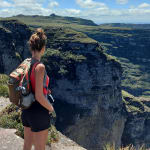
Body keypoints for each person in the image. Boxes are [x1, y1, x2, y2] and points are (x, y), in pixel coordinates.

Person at [21, 28, 54, 150]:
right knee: (40, 148)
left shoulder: (27, 62)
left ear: (31, 47)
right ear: (43, 48)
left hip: (26, 110)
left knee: (27, 146)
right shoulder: (40, 67)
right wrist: (50, 108)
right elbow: (39, 96)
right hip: (38, 112)